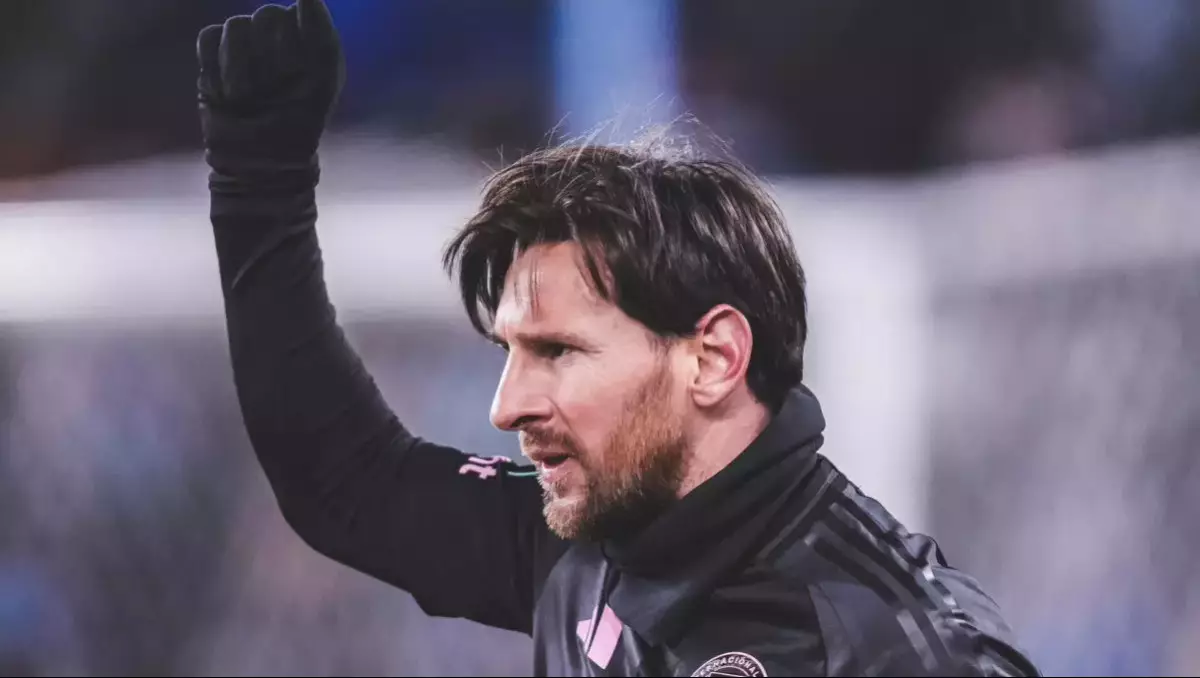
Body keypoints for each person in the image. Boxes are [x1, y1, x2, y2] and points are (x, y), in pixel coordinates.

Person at [196, 1, 1040, 675]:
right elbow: (346, 482)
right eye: (510, 353)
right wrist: (258, 187)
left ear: (713, 358)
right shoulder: (589, 538)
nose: (506, 407)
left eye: (557, 352)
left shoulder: (897, 650)